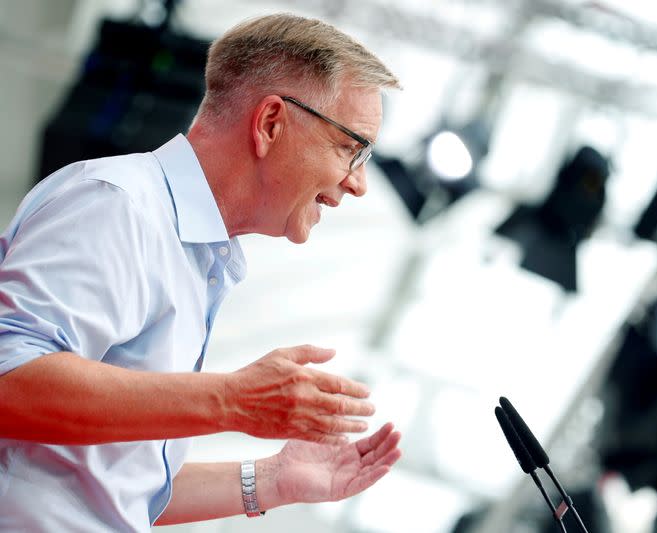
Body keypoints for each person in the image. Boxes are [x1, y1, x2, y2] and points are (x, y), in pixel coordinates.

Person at [0, 12, 402, 531]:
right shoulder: (119, 204)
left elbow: (110, 487)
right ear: (271, 123)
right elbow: (10, 386)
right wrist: (231, 400)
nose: (359, 184)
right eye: (352, 149)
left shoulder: (196, 258)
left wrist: (274, 480)